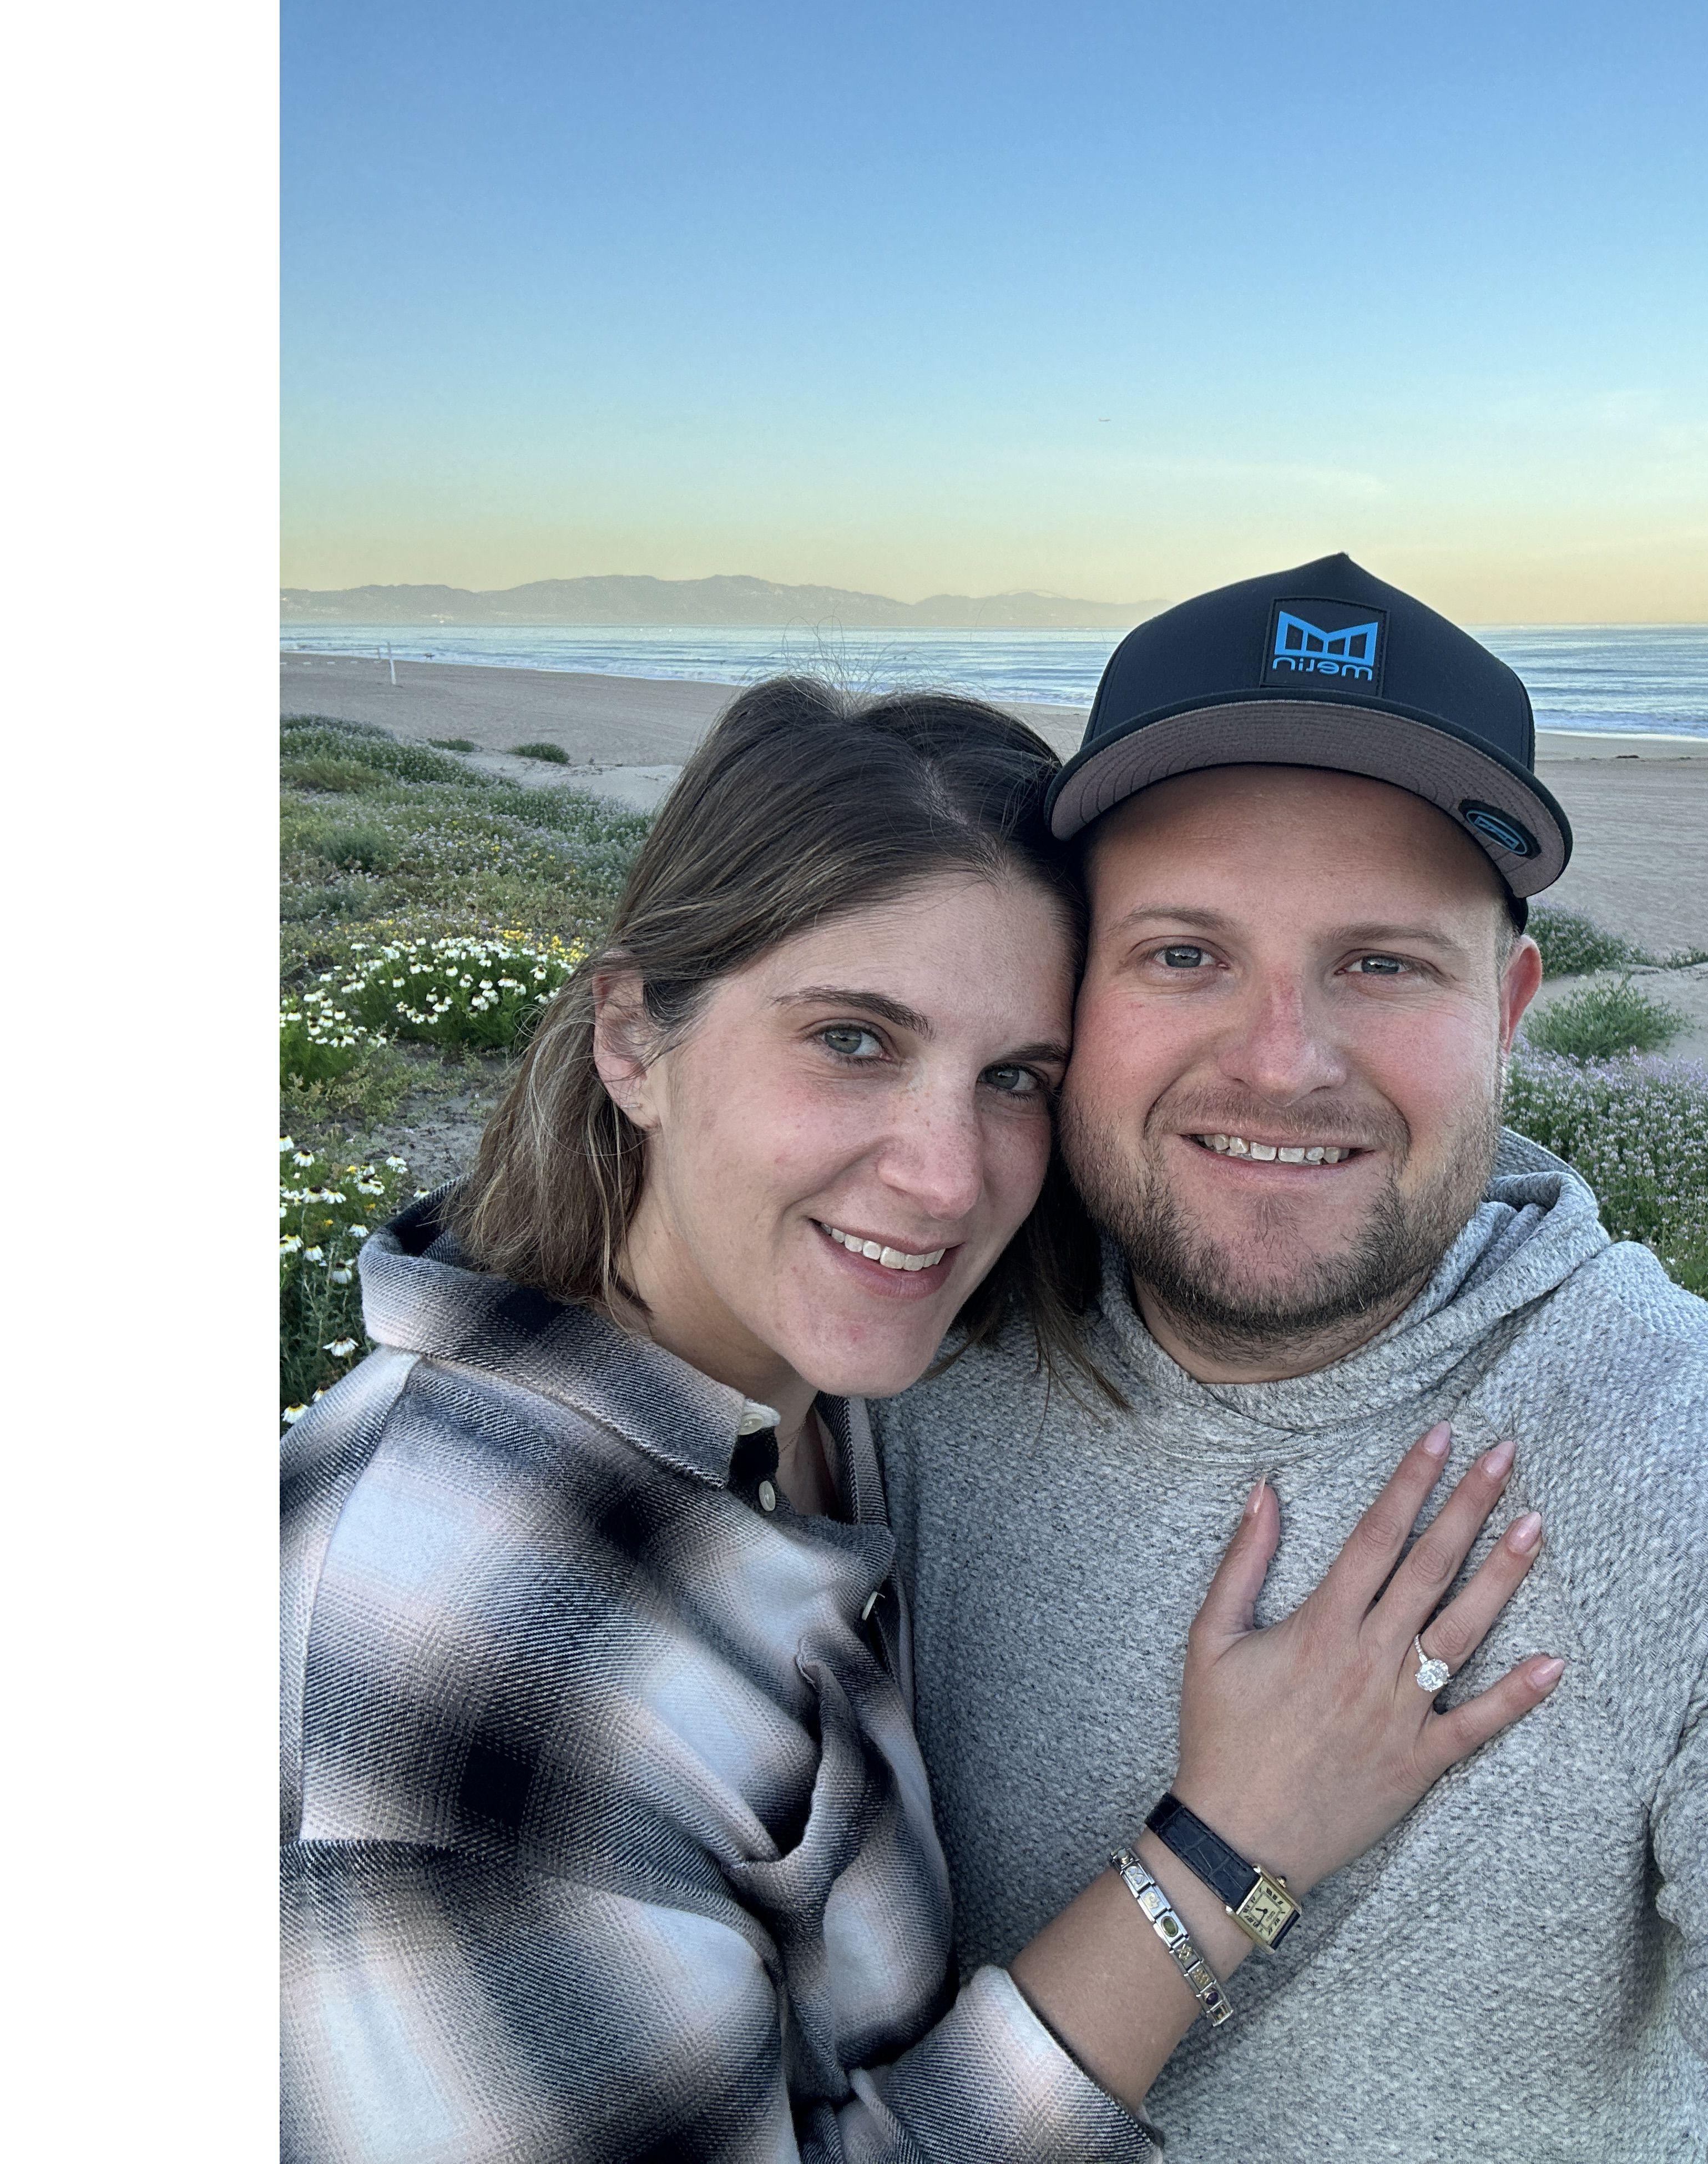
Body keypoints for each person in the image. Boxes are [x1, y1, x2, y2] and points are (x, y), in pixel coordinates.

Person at [278, 677, 1566, 2163]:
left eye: (1016, 1076)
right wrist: (1226, 1852)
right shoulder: (453, 1638)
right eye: (852, 1041)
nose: (950, 1179)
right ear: (631, 1040)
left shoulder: (808, 1400)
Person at [872, 554, 1708, 2161]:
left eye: (1383, 963)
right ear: (1070, 995)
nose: (1279, 1059)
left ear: (1510, 1008)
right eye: (1185, 953)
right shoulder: (918, 1330)